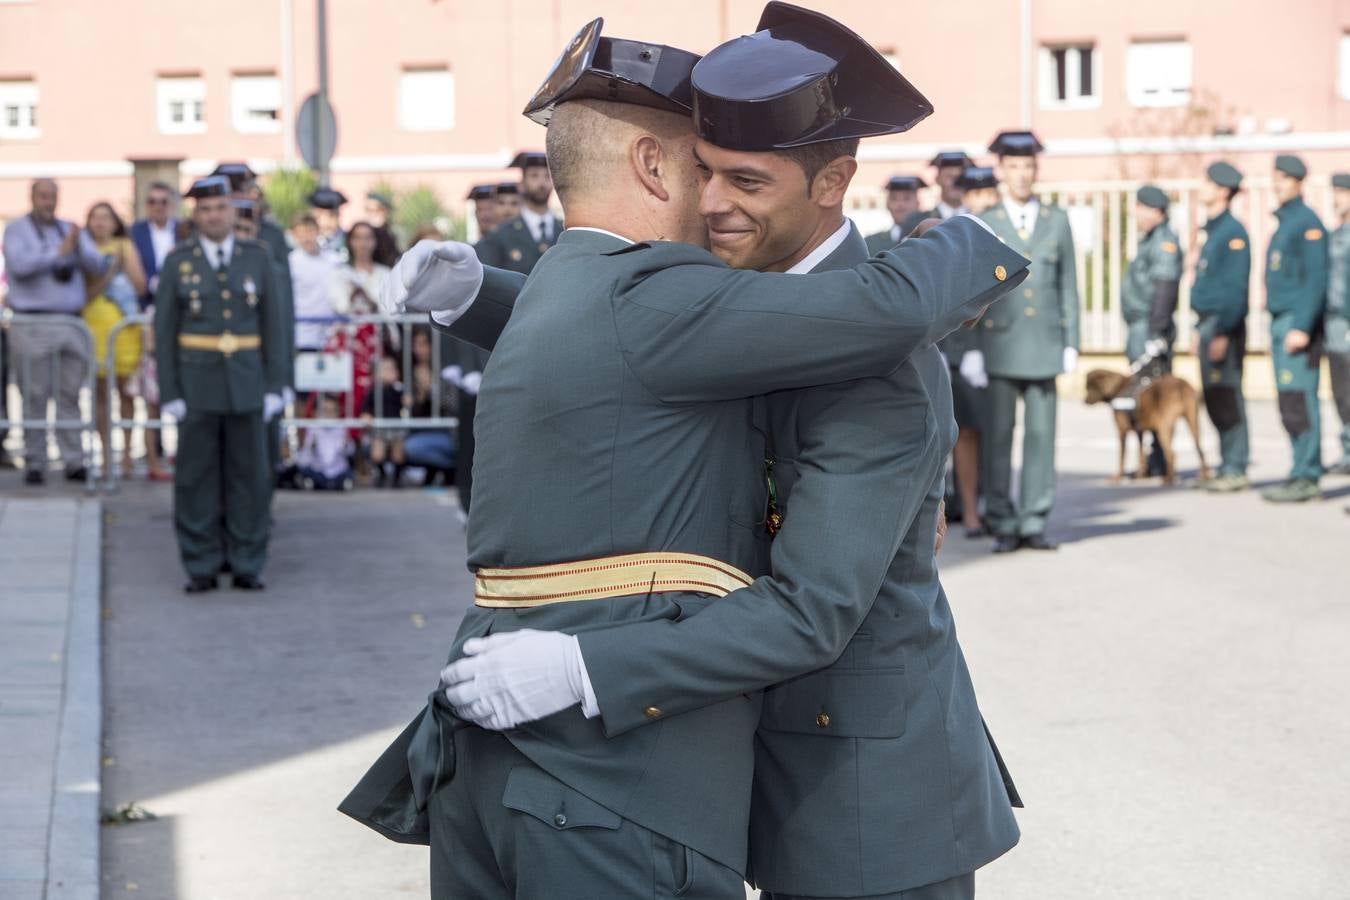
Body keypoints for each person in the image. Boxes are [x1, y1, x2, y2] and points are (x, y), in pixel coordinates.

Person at [350, 10, 1028, 899]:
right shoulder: (722, 297)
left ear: (834, 183)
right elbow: (627, 333)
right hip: (723, 761)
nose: (711, 203)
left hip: (859, 805)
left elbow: (812, 612)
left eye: (745, 180)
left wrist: (587, 668)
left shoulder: (879, 364)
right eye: (702, 171)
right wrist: (478, 293)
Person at [153, 175, 286, 593]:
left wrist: (276, 385)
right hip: (196, 385)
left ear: (233, 211)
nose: (213, 216)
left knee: (250, 478)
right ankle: (201, 563)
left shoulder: (258, 257)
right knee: (196, 479)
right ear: (196, 216)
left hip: (248, 382)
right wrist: (170, 392)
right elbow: (164, 333)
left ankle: (248, 560)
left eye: (220, 208)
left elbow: (275, 327)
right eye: (205, 209)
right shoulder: (179, 261)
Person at [976, 130, 1080, 552]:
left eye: (1028, 167)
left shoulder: (1057, 220)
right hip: (999, 345)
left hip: (1044, 343)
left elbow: (1068, 283)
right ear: (1001, 171)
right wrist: (968, 351)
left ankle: (1034, 518)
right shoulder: (988, 222)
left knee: (1042, 436)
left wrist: (1072, 340)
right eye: (1014, 167)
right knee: (998, 437)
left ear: (1037, 171)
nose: (1022, 175)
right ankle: (1001, 520)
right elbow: (973, 289)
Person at [1, 178, 108, 484]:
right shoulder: (17, 230)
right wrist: (58, 252)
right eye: (43, 196)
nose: (48, 202)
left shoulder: (70, 229)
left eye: (52, 197)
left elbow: (97, 266)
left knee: (70, 395)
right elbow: (20, 266)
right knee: (34, 395)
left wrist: (79, 247)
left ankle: (74, 460)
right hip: (32, 323)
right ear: (32, 197)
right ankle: (35, 460)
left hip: (70, 322)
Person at [1261, 154, 1328, 504]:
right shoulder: (1287, 222)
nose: (1278, 184)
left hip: (1296, 323)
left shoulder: (1306, 223)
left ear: (1300, 182)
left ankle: (1308, 474)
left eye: (1285, 178)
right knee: (1289, 402)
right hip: (1281, 321)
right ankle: (1299, 469)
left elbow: (1317, 279)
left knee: (1300, 400)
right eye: (1276, 177)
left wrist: (1301, 325)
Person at [945, 165, 1001, 536]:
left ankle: (981, 507)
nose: (984, 201)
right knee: (958, 435)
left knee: (986, 434)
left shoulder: (996, 229)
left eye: (988, 194)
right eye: (976, 194)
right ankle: (967, 510)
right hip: (952, 349)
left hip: (992, 348)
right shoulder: (949, 228)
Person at [1190, 162, 1252, 493]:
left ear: (1223, 190)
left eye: (1207, 183)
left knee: (1227, 394)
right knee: (1215, 397)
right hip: (1208, 324)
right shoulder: (1214, 230)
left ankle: (1236, 466)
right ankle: (1227, 463)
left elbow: (1235, 290)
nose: (1202, 188)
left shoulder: (1232, 233)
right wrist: (1197, 329)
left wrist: (1223, 332)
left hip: (1222, 326)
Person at [1119, 185, 1183, 477]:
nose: (1135, 214)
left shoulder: (1164, 242)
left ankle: (1159, 460)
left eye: (1140, 208)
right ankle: (1153, 459)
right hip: (1140, 326)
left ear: (1154, 210)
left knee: (1153, 396)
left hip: (1149, 327)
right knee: (1145, 395)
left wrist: (1156, 333)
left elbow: (1164, 290)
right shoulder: (1151, 240)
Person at [82, 202, 147, 479]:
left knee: (126, 392)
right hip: (94, 327)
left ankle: (128, 454)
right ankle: (106, 455)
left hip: (123, 329)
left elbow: (140, 285)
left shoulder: (125, 246)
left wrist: (123, 263)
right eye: (95, 218)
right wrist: (109, 271)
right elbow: (86, 292)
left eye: (105, 218)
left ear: (114, 222)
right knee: (99, 394)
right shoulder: (84, 249)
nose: (100, 223)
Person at [473, 152, 561, 275]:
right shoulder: (501, 234)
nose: (542, 183)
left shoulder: (565, 229)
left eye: (547, 176)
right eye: (534, 175)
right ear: (522, 184)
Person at [1323, 172, 1350, 476]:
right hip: (1334, 325)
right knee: (1341, 392)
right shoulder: (1337, 233)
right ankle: (1347, 450)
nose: (1337, 198)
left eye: (1343, 191)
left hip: (1347, 321)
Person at [288, 213, 341, 357]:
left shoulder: (334, 261)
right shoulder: (290, 263)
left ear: (318, 231)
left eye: (310, 231)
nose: (306, 237)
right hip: (302, 338)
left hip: (331, 337)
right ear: (294, 235)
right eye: (301, 233)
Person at [361, 354, 408, 487]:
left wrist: (407, 401)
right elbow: (366, 406)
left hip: (396, 426)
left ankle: (397, 477)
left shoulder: (398, 389)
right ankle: (381, 474)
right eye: (386, 369)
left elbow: (406, 404)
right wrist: (366, 415)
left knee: (398, 454)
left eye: (393, 369)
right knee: (377, 454)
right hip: (380, 427)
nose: (390, 373)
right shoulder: (374, 391)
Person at [901, 150, 974, 233]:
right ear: (937, 179)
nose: (955, 183)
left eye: (959, 178)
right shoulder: (917, 222)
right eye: (949, 177)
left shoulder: (979, 219)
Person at [296, 393, 354, 490]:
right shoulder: (312, 428)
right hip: (318, 469)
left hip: (338, 470)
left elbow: (350, 451)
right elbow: (306, 454)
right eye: (325, 411)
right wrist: (312, 446)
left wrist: (346, 444)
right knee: (306, 471)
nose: (329, 415)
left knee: (348, 474)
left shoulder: (341, 428)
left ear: (338, 413)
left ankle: (334, 484)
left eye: (332, 411)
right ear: (316, 413)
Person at [864, 174, 924, 254]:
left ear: (918, 203)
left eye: (906, 198)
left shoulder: (929, 239)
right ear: (887, 204)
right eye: (894, 199)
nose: (900, 204)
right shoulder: (870, 243)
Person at [364, 191, 402, 267]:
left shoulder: (395, 233)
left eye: (374, 210)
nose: (371, 215)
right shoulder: (364, 232)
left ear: (384, 211)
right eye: (367, 210)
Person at [309, 186, 349, 260]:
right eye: (320, 215)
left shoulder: (350, 241)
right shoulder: (303, 242)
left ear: (338, 215)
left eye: (331, 215)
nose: (325, 222)